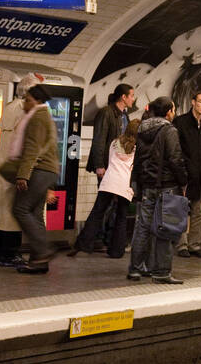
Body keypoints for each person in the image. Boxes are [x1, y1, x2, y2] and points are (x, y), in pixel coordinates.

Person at [128, 97, 187, 284]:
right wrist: (183, 181)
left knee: (142, 227)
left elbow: (138, 159)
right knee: (166, 228)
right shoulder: (169, 130)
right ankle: (161, 272)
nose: (174, 112)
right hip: (167, 185)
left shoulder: (143, 129)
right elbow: (175, 158)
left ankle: (136, 269)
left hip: (147, 185)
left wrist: (136, 182)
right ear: (168, 111)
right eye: (174, 109)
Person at [9, 84, 59, 274]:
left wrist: (23, 174)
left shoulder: (37, 117)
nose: (25, 104)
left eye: (28, 100)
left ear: (37, 101)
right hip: (48, 171)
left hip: (39, 170)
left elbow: (32, 148)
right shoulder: (45, 115)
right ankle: (39, 262)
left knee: (20, 209)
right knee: (35, 213)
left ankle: (44, 249)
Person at [71, 118, 138, 259]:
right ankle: (116, 250)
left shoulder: (114, 143)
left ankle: (83, 244)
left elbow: (109, 160)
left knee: (97, 214)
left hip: (108, 182)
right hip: (124, 186)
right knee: (121, 217)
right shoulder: (136, 148)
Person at [0, 73, 35, 266]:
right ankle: (10, 254)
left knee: (4, 212)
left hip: (4, 166)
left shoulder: (10, 107)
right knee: (14, 213)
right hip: (16, 169)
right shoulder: (24, 110)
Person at [86, 83, 136, 251]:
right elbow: (99, 139)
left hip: (118, 169)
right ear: (123, 97)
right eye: (131, 96)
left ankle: (109, 239)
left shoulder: (124, 115)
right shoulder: (106, 113)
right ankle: (96, 239)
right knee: (103, 205)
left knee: (114, 206)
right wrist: (99, 165)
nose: (133, 99)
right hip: (107, 167)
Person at [173, 90, 201, 259]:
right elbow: (176, 149)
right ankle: (181, 244)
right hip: (184, 173)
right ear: (193, 102)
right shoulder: (180, 122)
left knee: (200, 210)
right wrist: (182, 170)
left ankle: (195, 244)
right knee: (181, 210)